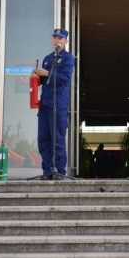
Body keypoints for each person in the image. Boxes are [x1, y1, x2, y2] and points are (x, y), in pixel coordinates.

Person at [32, 28, 75, 180]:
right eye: (55, 38)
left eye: (60, 38)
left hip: (58, 104)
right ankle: (47, 170)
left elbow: (64, 78)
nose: (57, 40)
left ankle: (60, 171)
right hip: (45, 103)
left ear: (65, 41)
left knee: (57, 139)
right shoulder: (47, 58)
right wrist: (37, 75)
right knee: (43, 139)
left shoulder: (68, 58)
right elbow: (45, 81)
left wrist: (47, 73)